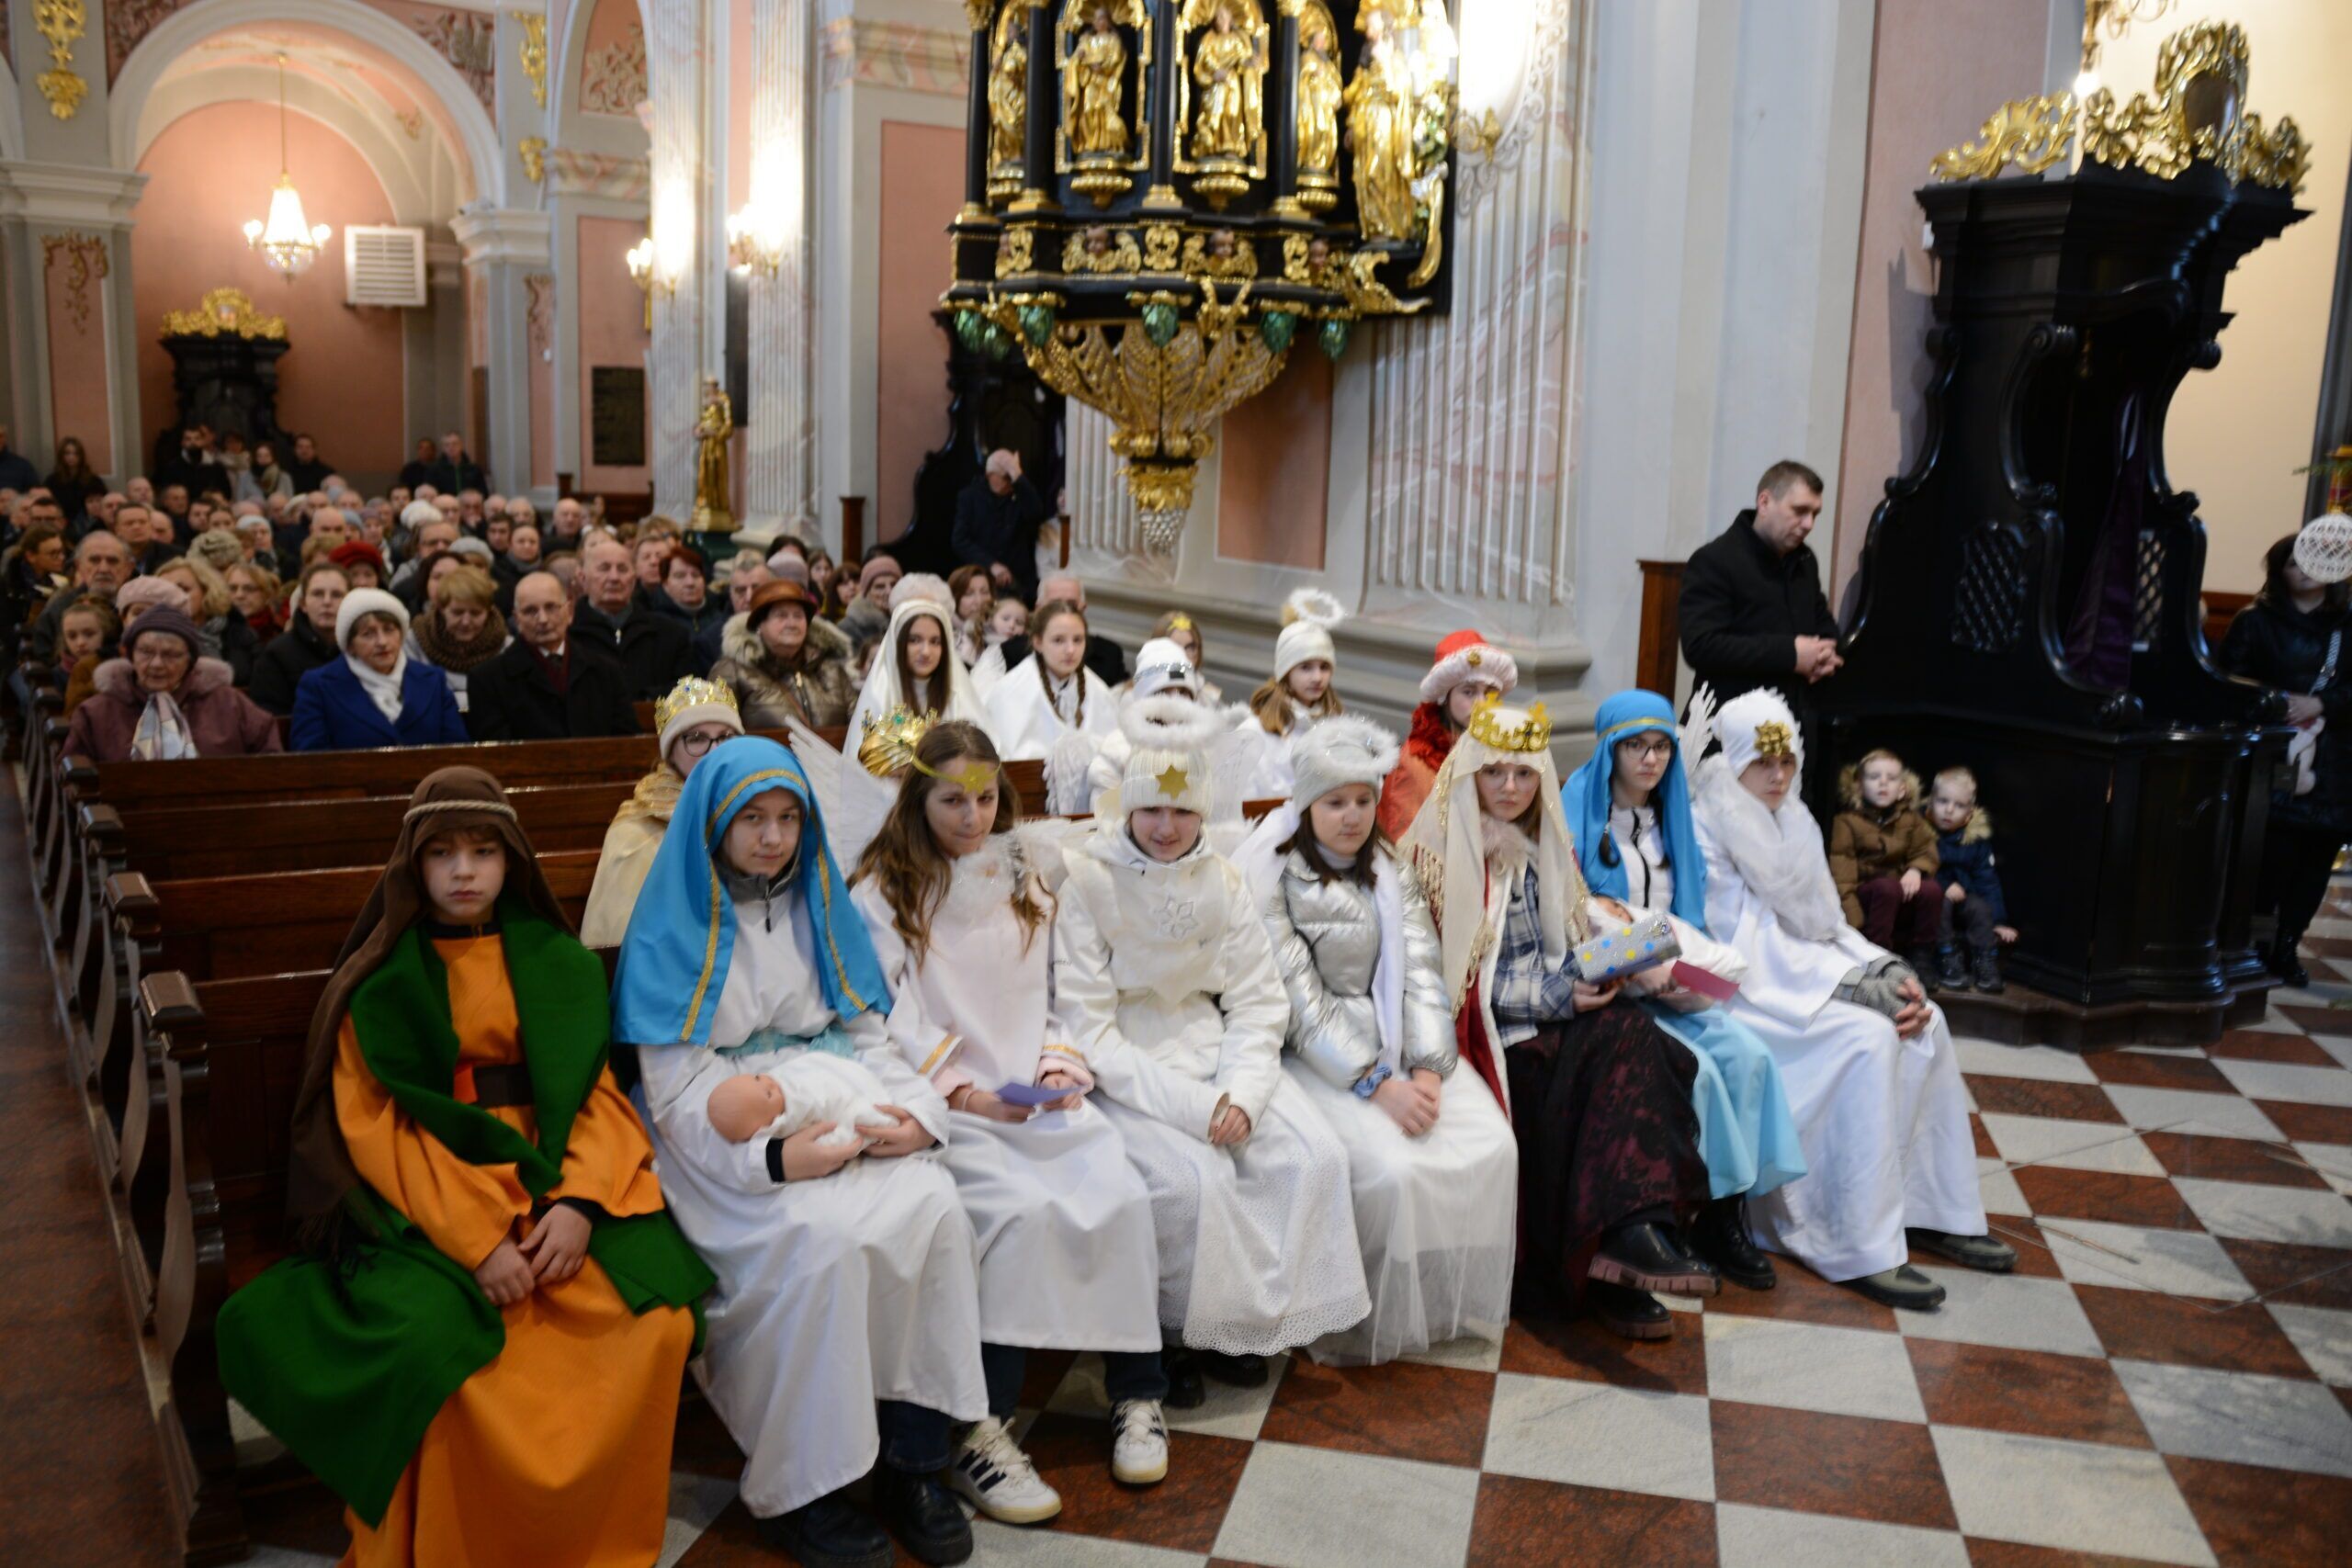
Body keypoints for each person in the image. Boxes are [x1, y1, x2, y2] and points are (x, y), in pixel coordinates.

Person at [214, 769, 710, 1565]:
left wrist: (581, 1202)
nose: (465, 871)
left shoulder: (560, 961)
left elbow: (595, 1097)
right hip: (433, 1197)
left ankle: (590, 1537)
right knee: (448, 1355)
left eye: (484, 851)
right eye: (443, 854)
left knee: (653, 1322)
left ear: (513, 860)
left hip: (552, 1178)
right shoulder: (381, 982)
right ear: (413, 865)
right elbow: (378, 1125)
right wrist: (477, 1238)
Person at [613, 739, 988, 1568]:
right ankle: (804, 1488)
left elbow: (868, 1033)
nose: (774, 837)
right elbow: (675, 1096)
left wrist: (920, 1119)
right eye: (752, 818)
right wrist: (776, 1163)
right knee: (823, 1246)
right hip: (724, 1144)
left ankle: (913, 1461)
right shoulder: (672, 918)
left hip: (836, 1099)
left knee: (935, 1208)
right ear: (713, 823)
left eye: (788, 818)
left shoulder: (820, 899)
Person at [851, 720, 1170, 1508]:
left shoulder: (1026, 871)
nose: (973, 817)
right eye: (952, 801)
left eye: (987, 798)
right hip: (956, 1107)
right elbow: (891, 1015)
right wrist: (967, 1094)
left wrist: (1057, 1065)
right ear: (917, 800)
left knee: (1123, 1195)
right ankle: (981, 1427)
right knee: (1015, 1217)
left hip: (1036, 1094)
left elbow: (1062, 990)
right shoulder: (883, 892)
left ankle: (1138, 1394)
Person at [1056, 696, 1370, 1396]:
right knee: (1191, 1183)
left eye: (1183, 810)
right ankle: (1171, 1337)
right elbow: (1088, 1028)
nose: (1167, 827)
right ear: (1127, 807)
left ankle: (1242, 1321)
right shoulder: (1088, 881)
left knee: (1313, 1156)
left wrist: (1243, 1094)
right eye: (1151, 810)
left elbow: (1259, 1000)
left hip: (1217, 1049)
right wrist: (1199, 1108)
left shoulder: (1222, 880)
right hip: (1132, 1065)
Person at [1400, 696, 1715, 1342]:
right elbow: (1453, 978)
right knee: (1626, 1047)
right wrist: (1560, 995)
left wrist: (1606, 967)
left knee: (1649, 1045)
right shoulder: (1438, 857)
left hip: (1553, 1012)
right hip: (1495, 1034)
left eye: (1524, 774)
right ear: (1471, 774)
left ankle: (1625, 1240)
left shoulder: (1545, 846)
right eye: (1495, 773)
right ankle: (1620, 1246)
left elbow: (1563, 944)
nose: (1510, 788)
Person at [1689, 686, 2010, 1310]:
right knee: (1867, 1037)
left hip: (1803, 975)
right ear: (1734, 761)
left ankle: (1930, 1208)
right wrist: (1851, 988)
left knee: (1928, 1020)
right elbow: (1740, 936)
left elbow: (1826, 922)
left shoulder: (1795, 817)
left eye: (1787, 761)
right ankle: (1852, 1237)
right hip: (1751, 993)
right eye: (1762, 762)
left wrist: (1882, 970)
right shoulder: (1709, 823)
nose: (1779, 775)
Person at [1235, 716, 1517, 1364]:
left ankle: (1440, 1302)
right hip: (1323, 1058)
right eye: (1335, 802)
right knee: (1390, 1170)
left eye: (1364, 800)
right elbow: (1298, 1003)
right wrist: (1377, 1084)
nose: (1353, 816)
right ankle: (1364, 1312)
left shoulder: (1390, 869)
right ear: (1308, 805)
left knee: (1493, 1144)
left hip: (1401, 1043)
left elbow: (1422, 971)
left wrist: (1427, 1068)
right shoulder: (1276, 878)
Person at [1561, 690, 1807, 1290]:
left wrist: (1686, 971)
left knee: (1748, 1056)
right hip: (1611, 985)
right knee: (1700, 1071)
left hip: (1673, 981)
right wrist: (1635, 962)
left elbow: (1689, 918)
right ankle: (1677, 1216)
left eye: (1662, 747)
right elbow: (1573, 919)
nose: (1651, 760)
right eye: (1635, 746)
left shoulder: (1673, 822)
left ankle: (1726, 1217)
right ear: (1609, 750)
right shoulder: (1577, 815)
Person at [2218, 530, 2352, 988]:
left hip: (2335, 760)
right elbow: (2227, 683)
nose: (2305, 570)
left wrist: (2324, 703)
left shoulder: (2347, 624)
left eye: (2313, 561)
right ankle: (2254, 945)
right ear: (2279, 571)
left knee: (2316, 860)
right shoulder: (2254, 621)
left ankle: (2288, 945)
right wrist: (2275, 703)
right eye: (2294, 562)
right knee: (2270, 857)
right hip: (2274, 756)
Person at [1678, 459, 1842, 754]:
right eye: (1800, 511)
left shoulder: (1804, 561)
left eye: (1815, 514)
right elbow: (1701, 646)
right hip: (1730, 733)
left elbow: (1822, 620)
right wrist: (1791, 654)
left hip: (1793, 726)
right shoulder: (1714, 560)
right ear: (1765, 502)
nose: (1809, 524)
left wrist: (1827, 652)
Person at [579, 677, 744, 946]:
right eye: (697, 739)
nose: (715, 751)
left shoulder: (755, 808)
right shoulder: (636, 832)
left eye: (726, 737)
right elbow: (622, 939)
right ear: (670, 752)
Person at [62, 607, 279, 761]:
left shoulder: (227, 702)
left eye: (171, 655)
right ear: (129, 655)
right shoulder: (97, 712)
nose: (156, 664)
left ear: (190, 662)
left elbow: (269, 755)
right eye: (146, 652)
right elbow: (72, 775)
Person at [981, 597, 1120, 813]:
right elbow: (1008, 761)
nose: (1070, 649)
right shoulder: (1011, 691)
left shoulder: (1098, 690)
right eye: (1058, 640)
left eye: (1078, 640)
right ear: (1037, 642)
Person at [465, 571, 639, 742]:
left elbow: (628, 741)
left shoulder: (606, 671)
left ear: (569, 612)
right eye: (530, 611)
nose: (543, 619)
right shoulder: (487, 680)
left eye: (551, 607)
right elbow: (498, 751)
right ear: (517, 620)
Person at [1829, 749, 1952, 987]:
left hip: (1898, 895)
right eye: (1874, 777)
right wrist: (1854, 928)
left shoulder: (1910, 819)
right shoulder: (1846, 822)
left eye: (1892, 778)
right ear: (1859, 786)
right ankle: (1879, 957)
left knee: (1932, 889)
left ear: (1902, 788)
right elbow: (1842, 879)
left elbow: (1925, 851)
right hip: (1867, 900)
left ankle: (1922, 956)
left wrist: (1915, 870)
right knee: (1887, 888)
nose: (1883, 783)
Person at [1379, 629, 1516, 840]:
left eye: (1489, 693)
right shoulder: (1417, 763)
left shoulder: (1499, 750)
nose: (1481, 704)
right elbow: (1406, 844)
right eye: (1469, 692)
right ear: (1445, 697)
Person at [290, 589, 469, 750]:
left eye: (389, 630)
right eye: (368, 634)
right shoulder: (319, 685)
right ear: (350, 645)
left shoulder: (432, 679)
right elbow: (311, 757)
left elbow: (457, 749)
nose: (382, 642)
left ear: (401, 634)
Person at [709, 578, 860, 732]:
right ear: (760, 625)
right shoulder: (732, 670)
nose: (792, 624)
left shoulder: (831, 670)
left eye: (798, 616)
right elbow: (715, 732)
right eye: (781, 616)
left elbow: (859, 725)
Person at [843, 586, 988, 745]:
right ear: (898, 644)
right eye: (914, 640)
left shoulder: (959, 693)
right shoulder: (879, 694)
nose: (926, 652)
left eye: (935, 642)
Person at [1240, 588, 1348, 798]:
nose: (1318, 677)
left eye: (1324, 667)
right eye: (1306, 667)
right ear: (1286, 671)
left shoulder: (1338, 726)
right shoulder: (1255, 732)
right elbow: (1245, 799)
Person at [572, 534, 694, 702]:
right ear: (582, 578)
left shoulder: (672, 635)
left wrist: (647, 699)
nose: (614, 577)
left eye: (622, 569)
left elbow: (689, 689)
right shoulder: (567, 635)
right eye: (604, 569)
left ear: (634, 577)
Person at [1927, 766, 2015, 994]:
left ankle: (1985, 962)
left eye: (1959, 806)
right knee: (1940, 901)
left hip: (1964, 898)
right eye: (1942, 801)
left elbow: (1988, 881)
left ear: (1969, 813)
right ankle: (1946, 956)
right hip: (1934, 896)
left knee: (1980, 907)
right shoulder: (1922, 833)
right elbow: (1917, 866)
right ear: (1930, 803)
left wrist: (1999, 921)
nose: (1949, 810)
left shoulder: (1976, 842)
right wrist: (1944, 886)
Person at [406, 563, 509, 716]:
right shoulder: (414, 642)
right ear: (441, 608)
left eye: (475, 613)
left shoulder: (506, 647)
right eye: (457, 612)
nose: (466, 622)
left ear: (489, 611)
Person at [951, 449, 1050, 603]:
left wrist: (1018, 476)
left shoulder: (1020, 493)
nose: (1010, 481)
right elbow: (960, 540)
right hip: (984, 577)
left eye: (1012, 476)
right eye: (1006, 476)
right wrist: (991, 565)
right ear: (990, 475)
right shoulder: (970, 497)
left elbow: (1036, 513)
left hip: (1019, 582)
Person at [253, 562, 351, 716]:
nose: (327, 602)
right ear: (303, 604)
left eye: (337, 595)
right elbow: (272, 717)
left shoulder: (360, 650)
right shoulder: (277, 654)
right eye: (318, 594)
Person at [995, 573, 1127, 687]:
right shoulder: (1012, 653)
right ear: (1039, 609)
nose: (1064, 612)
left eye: (1071, 605)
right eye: (1055, 605)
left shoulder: (1109, 655)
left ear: (1083, 609)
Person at [25, 529, 131, 668]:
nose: (103, 569)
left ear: (128, 568)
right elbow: (46, 661)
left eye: (113, 561)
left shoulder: (138, 606)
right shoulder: (58, 610)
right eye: (94, 560)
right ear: (78, 566)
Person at [153, 556, 261, 687]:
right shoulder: (147, 638)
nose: (174, 597)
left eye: (183, 589)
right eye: (164, 592)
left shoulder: (241, 635)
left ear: (206, 591)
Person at [650, 545, 728, 641]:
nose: (690, 583)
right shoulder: (656, 625)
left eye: (696, 575)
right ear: (665, 584)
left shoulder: (721, 619)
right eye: (680, 576)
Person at [43, 436, 105, 523]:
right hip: (60, 521)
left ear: (81, 456)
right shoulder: (52, 481)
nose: (71, 457)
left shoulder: (93, 480)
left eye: (76, 454)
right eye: (67, 453)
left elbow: (103, 502)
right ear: (61, 456)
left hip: (87, 523)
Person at [945, 565, 993, 667]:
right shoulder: (945, 635)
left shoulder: (1004, 629)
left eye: (985, 592)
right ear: (953, 598)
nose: (979, 601)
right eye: (969, 594)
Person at [422, 430, 489, 495]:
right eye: (447, 445)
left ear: (461, 445)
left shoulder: (473, 469)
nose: (451, 448)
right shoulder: (434, 470)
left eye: (455, 444)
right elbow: (429, 493)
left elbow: (483, 493)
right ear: (443, 448)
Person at [248, 440, 297, 504]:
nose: (263, 458)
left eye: (267, 455)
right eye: (259, 456)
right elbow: (240, 499)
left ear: (273, 457)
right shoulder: (246, 477)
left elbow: (290, 500)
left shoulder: (284, 477)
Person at [0, 422, 36, 494]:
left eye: (0, 436)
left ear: (5, 438)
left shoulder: (22, 466)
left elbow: (36, 495)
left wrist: (15, 497)